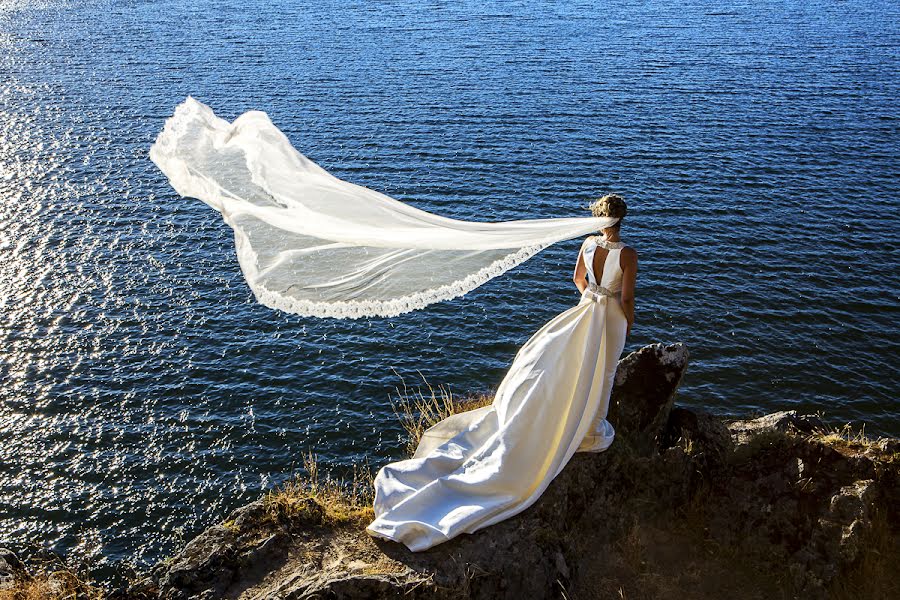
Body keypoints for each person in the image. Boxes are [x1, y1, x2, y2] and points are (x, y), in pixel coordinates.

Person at [365, 194, 638, 551]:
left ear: (598, 218)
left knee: (570, 365)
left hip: (585, 310)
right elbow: (628, 299)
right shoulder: (628, 254)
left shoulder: (587, 244)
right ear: (623, 219)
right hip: (610, 317)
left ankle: (575, 418)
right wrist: (623, 320)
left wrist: (591, 298)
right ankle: (588, 429)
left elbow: (577, 278)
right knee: (601, 372)